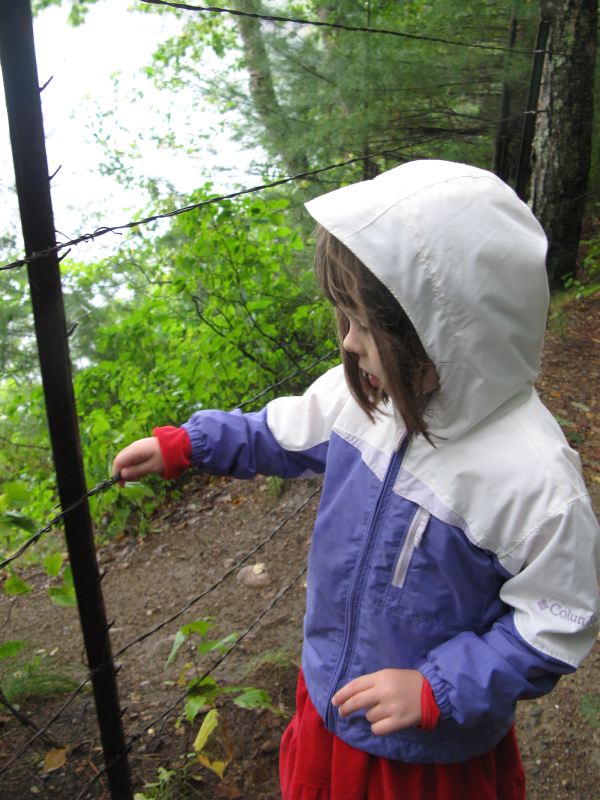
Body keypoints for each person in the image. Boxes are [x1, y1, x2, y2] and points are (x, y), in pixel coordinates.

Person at [113, 160, 600, 799]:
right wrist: (188, 444)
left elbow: (557, 615)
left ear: (441, 334)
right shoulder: (367, 399)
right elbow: (280, 431)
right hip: (330, 693)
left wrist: (438, 687)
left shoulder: (532, 481)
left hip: (428, 752)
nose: (346, 343)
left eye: (364, 327)